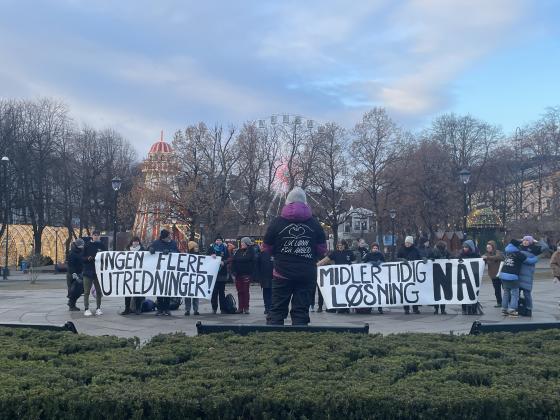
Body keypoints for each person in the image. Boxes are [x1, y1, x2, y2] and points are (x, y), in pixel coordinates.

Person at [263, 187, 327, 325]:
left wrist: (279, 254)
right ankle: (300, 340)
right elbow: (322, 249)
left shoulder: (277, 222)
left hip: (281, 272)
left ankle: (273, 341)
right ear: (305, 203)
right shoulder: (314, 224)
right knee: (301, 311)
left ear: (287, 202)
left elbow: (266, 247)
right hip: (306, 273)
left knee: (277, 310)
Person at [499, 239, 536, 317]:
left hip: (502, 274)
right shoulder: (518, 254)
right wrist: (537, 258)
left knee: (506, 292)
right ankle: (512, 310)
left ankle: (504, 309)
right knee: (515, 293)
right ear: (516, 246)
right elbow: (529, 261)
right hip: (512, 276)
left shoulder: (508, 252)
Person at [317, 240, 355, 313]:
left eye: (341, 245)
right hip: (338, 276)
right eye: (339, 245)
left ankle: (346, 307)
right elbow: (325, 260)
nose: (340, 247)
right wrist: (317, 265)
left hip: (348, 276)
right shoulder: (335, 253)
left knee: (347, 291)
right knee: (339, 292)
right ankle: (340, 307)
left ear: (345, 245)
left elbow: (355, 262)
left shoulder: (349, 253)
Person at [149, 229, 179, 316]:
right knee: (159, 291)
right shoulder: (156, 243)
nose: (170, 237)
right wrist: (150, 249)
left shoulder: (173, 243)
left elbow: (177, 253)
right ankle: (160, 309)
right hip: (158, 270)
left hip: (169, 270)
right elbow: (149, 249)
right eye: (168, 236)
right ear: (164, 237)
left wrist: (170, 252)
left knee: (167, 291)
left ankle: (166, 309)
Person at [518, 235, 546, 317]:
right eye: (524, 240)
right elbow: (510, 247)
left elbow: (545, 247)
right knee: (516, 293)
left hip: (527, 274)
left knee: (527, 293)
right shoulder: (519, 248)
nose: (525, 242)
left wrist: (537, 241)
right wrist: (520, 240)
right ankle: (518, 308)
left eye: (527, 240)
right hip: (518, 273)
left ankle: (529, 309)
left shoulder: (534, 249)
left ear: (530, 242)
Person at [82, 231, 106, 317]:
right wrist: (87, 258)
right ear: (92, 236)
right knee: (86, 291)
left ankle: (98, 308)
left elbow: (106, 257)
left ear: (99, 236)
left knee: (98, 291)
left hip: (98, 272)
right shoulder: (87, 245)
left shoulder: (102, 245)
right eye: (95, 235)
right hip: (88, 271)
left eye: (98, 235)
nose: (96, 237)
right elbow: (82, 258)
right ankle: (86, 308)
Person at [120, 237, 146, 315]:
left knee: (138, 292)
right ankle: (127, 308)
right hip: (129, 274)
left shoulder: (142, 250)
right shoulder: (127, 250)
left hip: (138, 274)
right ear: (132, 242)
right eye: (134, 241)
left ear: (139, 242)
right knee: (127, 292)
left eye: (137, 241)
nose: (136, 243)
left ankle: (138, 308)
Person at [397, 236, 421, 314]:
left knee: (414, 290)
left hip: (414, 272)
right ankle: (406, 309)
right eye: (406, 242)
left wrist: (423, 259)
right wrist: (401, 259)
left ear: (411, 243)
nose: (407, 244)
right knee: (405, 291)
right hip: (403, 273)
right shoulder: (401, 249)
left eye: (409, 243)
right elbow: (395, 258)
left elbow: (419, 258)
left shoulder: (416, 250)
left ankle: (415, 308)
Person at [232, 237, 256, 314]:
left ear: (247, 243)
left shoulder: (251, 251)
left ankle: (246, 307)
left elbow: (250, 260)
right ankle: (240, 307)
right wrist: (234, 271)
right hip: (238, 274)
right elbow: (234, 260)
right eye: (241, 243)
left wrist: (240, 259)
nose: (241, 244)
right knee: (240, 291)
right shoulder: (238, 251)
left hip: (246, 274)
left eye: (243, 243)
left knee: (245, 291)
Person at [457, 239, 481, 315]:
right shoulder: (460, 255)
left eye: (466, 247)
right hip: (464, 277)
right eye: (464, 247)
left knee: (473, 292)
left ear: (470, 247)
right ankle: (464, 309)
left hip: (473, 276)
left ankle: (473, 309)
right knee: (464, 293)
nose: (465, 248)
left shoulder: (476, 255)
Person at [207, 236, 229, 314]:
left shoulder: (225, 249)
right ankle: (214, 308)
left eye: (220, 240)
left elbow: (229, 258)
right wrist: (211, 256)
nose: (218, 241)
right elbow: (206, 258)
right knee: (214, 292)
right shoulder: (211, 248)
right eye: (217, 240)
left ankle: (222, 308)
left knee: (222, 292)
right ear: (215, 241)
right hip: (213, 273)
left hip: (222, 273)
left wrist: (224, 262)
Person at [362, 242, 385, 314]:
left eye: (376, 248)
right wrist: (371, 262)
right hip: (370, 277)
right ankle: (370, 307)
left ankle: (380, 307)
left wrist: (380, 262)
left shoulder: (380, 255)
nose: (375, 249)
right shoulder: (368, 255)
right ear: (371, 249)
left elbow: (385, 262)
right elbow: (364, 263)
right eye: (374, 248)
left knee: (379, 292)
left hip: (379, 277)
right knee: (371, 292)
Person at [429, 241, 451, 315]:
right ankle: (442, 309)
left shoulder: (434, 251)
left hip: (436, 274)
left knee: (437, 292)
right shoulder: (444, 252)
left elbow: (451, 257)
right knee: (440, 291)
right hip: (440, 274)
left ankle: (437, 309)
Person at [483, 241, 504, 308]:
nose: (488, 248)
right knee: (497, 290)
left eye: (489, 247)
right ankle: (499, 302)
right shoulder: (486, 255)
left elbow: (498, 257)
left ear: (493, 247)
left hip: (501, 275)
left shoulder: (498, 252)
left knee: (506, 289)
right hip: (493, 276)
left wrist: (487, 258)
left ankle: (509, 302)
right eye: (487, 248)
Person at [66, 238, 84, 311]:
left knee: (78, 289)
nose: (82, 246)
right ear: (77, 245)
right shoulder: (72, 253)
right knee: (73, 290)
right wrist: (74, 275)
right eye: (81, 245)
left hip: (79, 273)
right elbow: (71, 265)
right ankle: (71, 304)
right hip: (72, 274)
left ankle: (71, 303)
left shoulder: (80, 252)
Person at [256, 243, 273, 314]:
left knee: (267, 293)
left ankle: (268, 308)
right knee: (270, 293)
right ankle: (269, 308)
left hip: (267, 277)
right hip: (269, 277)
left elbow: (257, 266)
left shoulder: (262, 254)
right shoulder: (262, 254)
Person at [184, 241, 200, 316]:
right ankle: (187, 310)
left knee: (195, 294)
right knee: (188, 295)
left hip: (196, 277)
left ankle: (195, 310)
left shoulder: (200, 256)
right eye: (195, 247)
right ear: (191, 248)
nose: (197, 248)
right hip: (188, 277)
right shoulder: (186, 256)